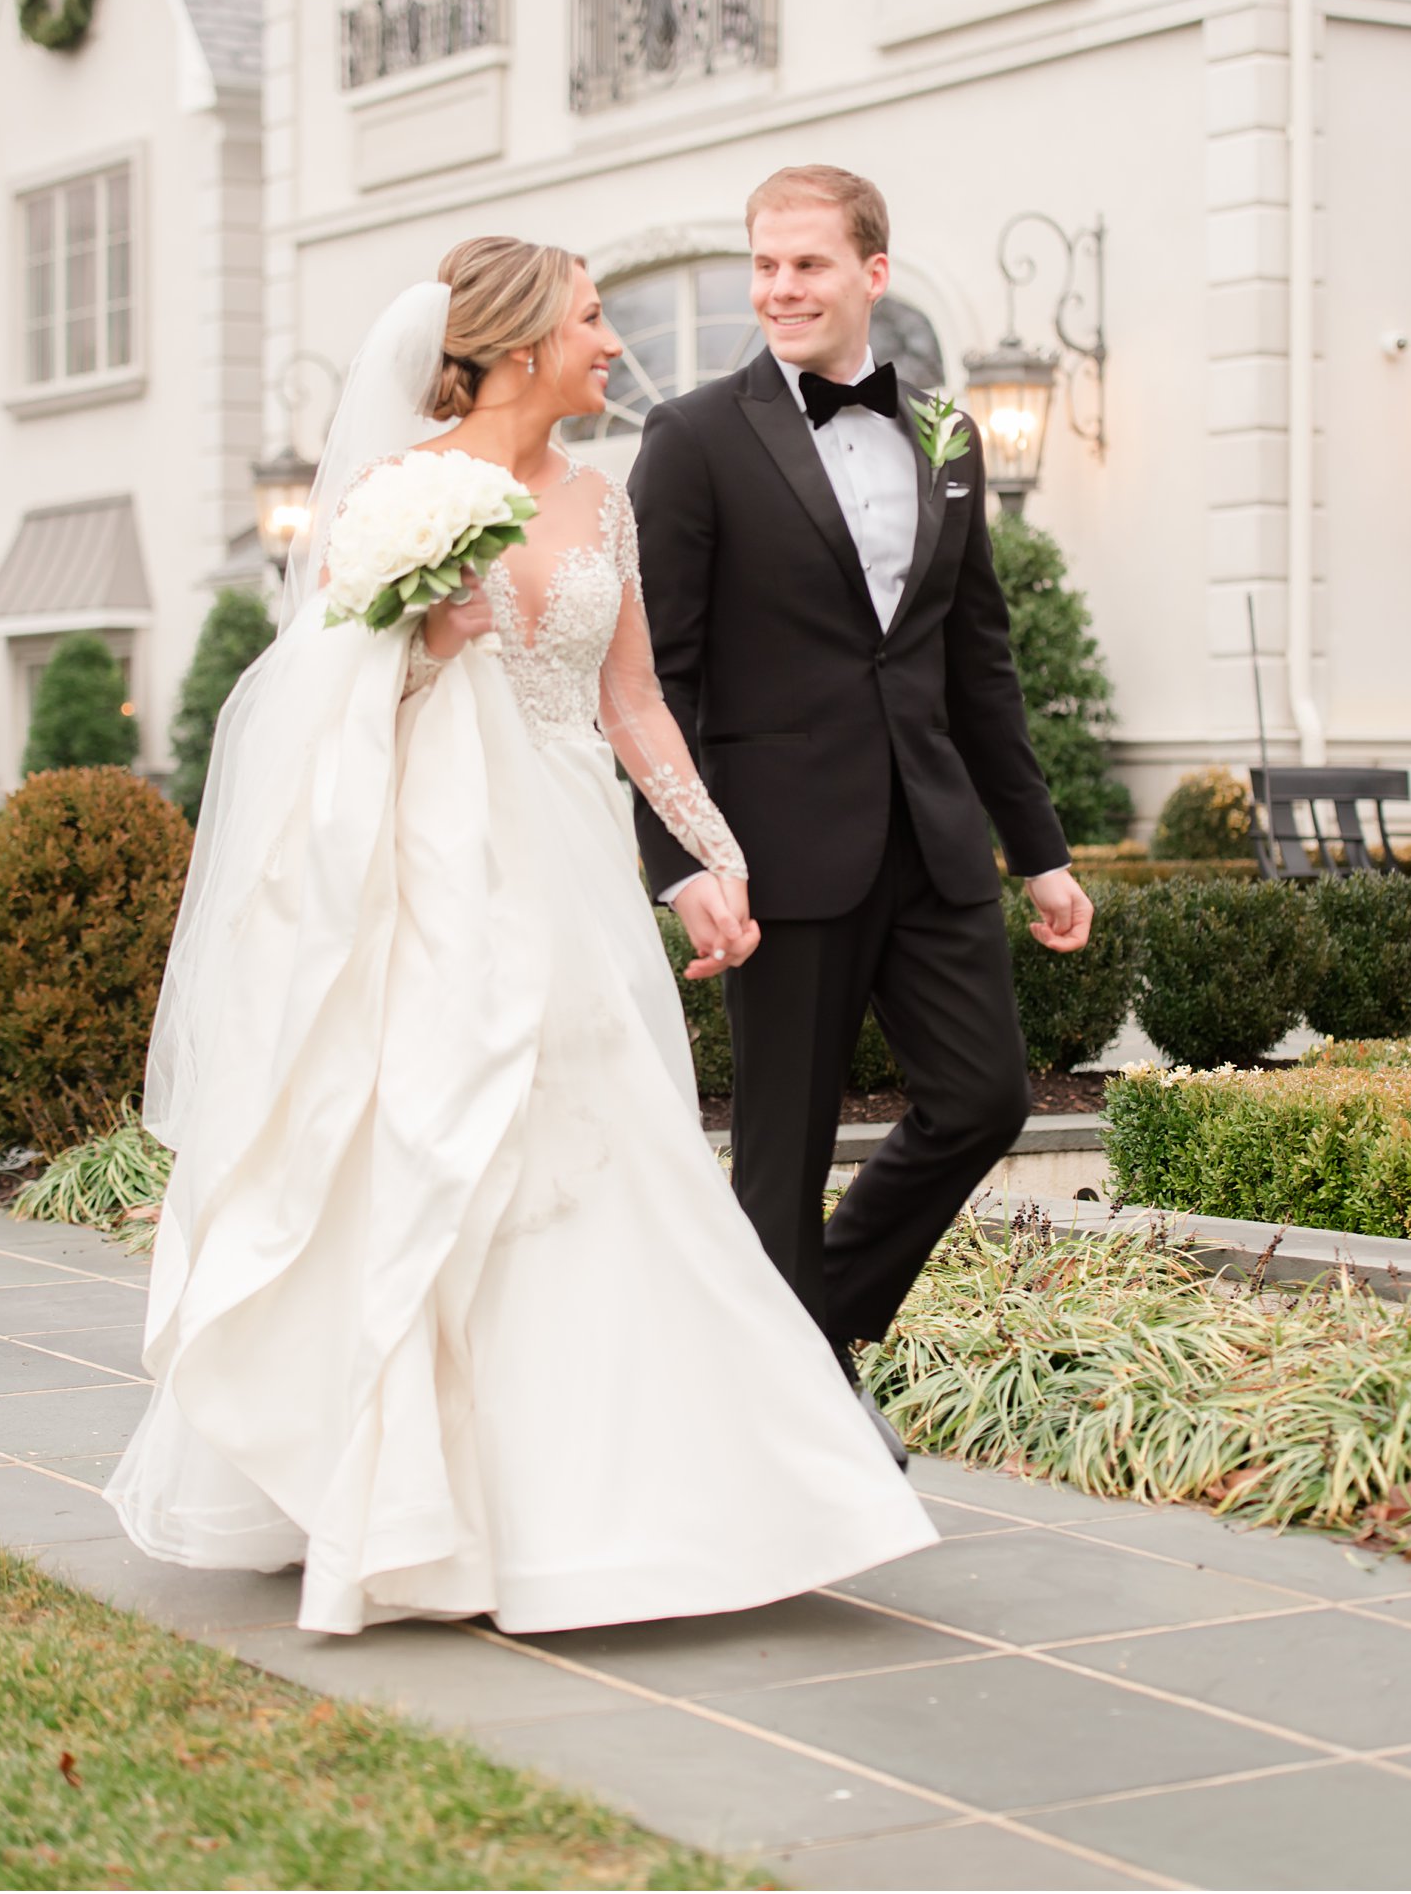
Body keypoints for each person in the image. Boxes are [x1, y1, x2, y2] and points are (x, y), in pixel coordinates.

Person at [106, 237, 935, 1636]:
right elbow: (316, 705)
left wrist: (710, 855)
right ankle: (434, 1505)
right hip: (440, 873)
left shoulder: (603, 503)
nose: (614, 345)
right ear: (511, 345)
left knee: (621, 1153)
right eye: (594, 320)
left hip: (573, 864)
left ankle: (657, 1501)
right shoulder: (393, 497)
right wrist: (422, 639)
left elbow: (635, 704)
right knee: (447, 1146)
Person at [628, 167, 1094, 1450]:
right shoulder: (693, 437)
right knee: (780, 1145)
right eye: (763, 267)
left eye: (808, 266)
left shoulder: (944, 434)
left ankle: (802, 1325)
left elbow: (975, 660)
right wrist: (682, 857)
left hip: (933, 838)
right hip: (773, 848)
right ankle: (804, 1416)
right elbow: (655, 672)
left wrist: (1038, 852)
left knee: (984, 1097)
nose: (780, 289)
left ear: (869, 275)